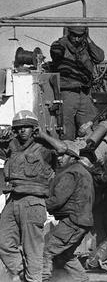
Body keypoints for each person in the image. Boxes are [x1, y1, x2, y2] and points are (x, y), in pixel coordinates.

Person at [0, 110, 66, 282]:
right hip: (12, 200)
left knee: (32, 248)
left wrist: (43, 135)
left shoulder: (44, 147)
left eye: (27, 127)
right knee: (3, 241)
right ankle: (23, 273)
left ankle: (34, 279)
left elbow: (63, 148)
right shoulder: (12, 147)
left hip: (33, 202)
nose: (22, 131)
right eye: (19, 128)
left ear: (34, 129)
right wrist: (2, 135)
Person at [42, 139, 94, 282]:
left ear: (72, 157)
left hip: (72, 221)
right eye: (57, 156)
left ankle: (42, 279)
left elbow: (57, 200)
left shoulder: (70, 173)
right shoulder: (81, 171)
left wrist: (38, 204)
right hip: (81, 221)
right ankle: (82, 280)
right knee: (64, 255)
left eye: (63, 155)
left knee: (46, 251)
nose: (59, 159)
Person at [50, 26, 105, 140]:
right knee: (66, 125)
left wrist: (88, 40)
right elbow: (56, 52)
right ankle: (68, 151)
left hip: (84, 92)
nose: (76, 39)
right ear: (69, 33)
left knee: (90, 123)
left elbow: (99, 57)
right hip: (68, 92)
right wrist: (63, 42)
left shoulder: (86, 46)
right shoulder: (60, 44)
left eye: (80, 36)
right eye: (74, 35)